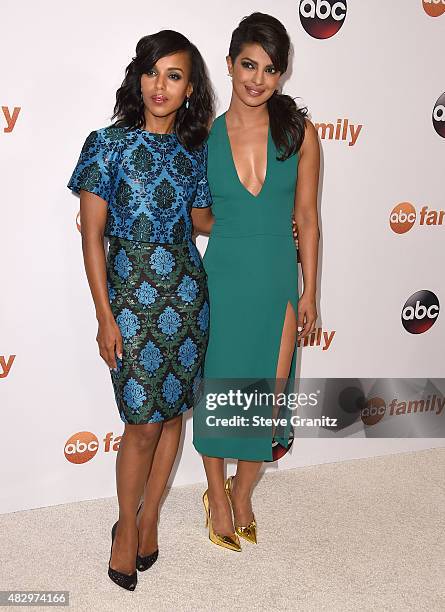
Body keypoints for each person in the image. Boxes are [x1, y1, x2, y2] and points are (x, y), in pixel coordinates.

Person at [67, 30, 214, 589]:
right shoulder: (105, 145)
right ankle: (124, 527)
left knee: (172, 415)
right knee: (141, 423)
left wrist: (265, 226)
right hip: (130, 296)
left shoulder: (194, 152)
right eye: (152, 72)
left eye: (174, 76)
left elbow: (201, 221)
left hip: (186, 293)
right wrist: (105, 316)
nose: (161, 85)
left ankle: (151, 517)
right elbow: (91, 236)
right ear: (138, 77)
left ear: (189, 87)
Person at [191, 13, 320, 551]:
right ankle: (216, 496)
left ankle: (242, 492)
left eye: (270, 69)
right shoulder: (201, 138)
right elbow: (198, 218)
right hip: (222, 276)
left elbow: (308, 217)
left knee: (266, 395)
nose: (257, 79)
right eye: (248, 65)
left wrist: (310, 289)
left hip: (275, 278)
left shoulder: (300, 133)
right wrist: (241, 227)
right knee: (219, 387)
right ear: (229, 65)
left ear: (281, 75)